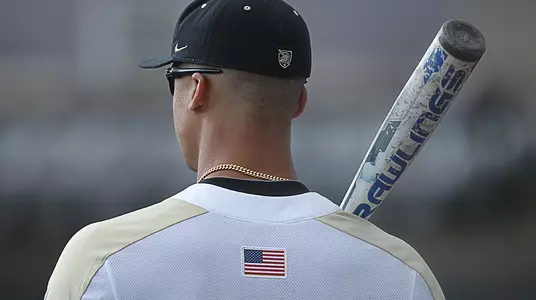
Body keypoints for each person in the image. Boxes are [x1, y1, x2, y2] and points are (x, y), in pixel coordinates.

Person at [45, 0, 445, 299]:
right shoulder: (402, 275)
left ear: (197, 90)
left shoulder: (103, 261)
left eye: (173, 80)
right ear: (300, 102)